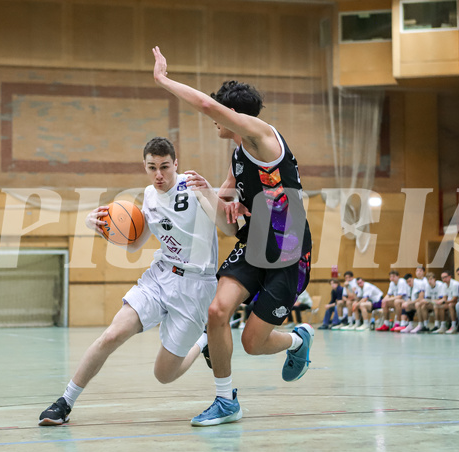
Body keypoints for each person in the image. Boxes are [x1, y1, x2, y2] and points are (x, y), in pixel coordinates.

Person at [152, 47, 313, 426]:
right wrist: (219, 197)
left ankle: (297, 340)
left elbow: (208, 107)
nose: (215, 121)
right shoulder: (239, 153)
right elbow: (227, 198)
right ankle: (226, 401)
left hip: (288, 249)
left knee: (253, 344)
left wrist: (163, 80)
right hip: (255, 241)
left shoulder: (261, 136)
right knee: (216, 311)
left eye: (223, 114)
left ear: (235, 116)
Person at [38, 137, 235, 426]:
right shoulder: (149, 195)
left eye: (165, 167)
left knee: (163, 374)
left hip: (195, 288)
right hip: (160, 277)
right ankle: (64, 402)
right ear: (144, 166)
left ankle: (204, 341)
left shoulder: (194, 187)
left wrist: (210, 194)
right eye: (152, 167)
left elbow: (228, 228)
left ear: (175, 164)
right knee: (113, 334)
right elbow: (134, 243)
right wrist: (100, 228)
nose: (159, 175)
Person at [400, 267, 427, 333]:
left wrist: (410, 302)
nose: (409, 283)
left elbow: (421, 298)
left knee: (417, 305)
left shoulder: (420, 283)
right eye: (407, 282)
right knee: (406, 305)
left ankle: (421, 325)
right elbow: (410, 298)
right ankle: (410, 324)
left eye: (409, 281)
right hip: (416, 302)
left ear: (412, 279)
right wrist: (407, 302)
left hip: (424, 302)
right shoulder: (410, 287)